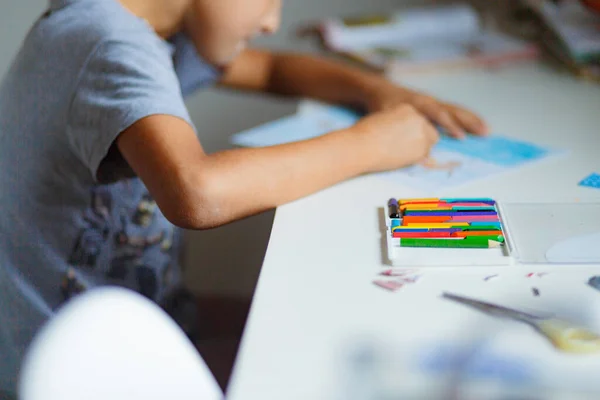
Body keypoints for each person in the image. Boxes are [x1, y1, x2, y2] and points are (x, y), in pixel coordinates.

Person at [0, 0, 488, 395]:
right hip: (77, 369)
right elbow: (198, 193)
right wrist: (373, 144)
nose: (273, 20)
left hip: (143, 318)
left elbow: (274, 69)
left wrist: (379, 92)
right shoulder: (108, 41)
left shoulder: (136, 27)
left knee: (315, 331)